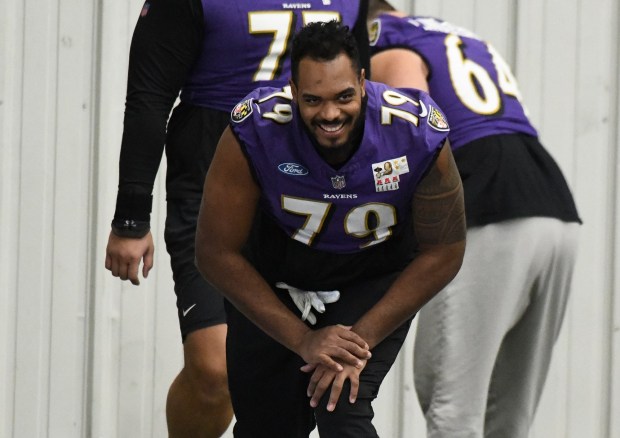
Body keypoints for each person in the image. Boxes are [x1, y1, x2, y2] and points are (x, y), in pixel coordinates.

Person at [103, 1, 371, 436]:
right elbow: (150, 97)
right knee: (214, 370)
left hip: (306, 192)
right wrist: (131, 217)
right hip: (214, 183)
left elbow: (364, 95)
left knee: (289, 376)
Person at [194, 20, 466, 438]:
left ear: (362, 81)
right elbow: (215, 253)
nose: (330, 114)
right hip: (277, 274)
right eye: (313, 100)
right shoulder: (256, 129)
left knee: (342, 402)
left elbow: (444, 250)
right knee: (269, 425)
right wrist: (304, 339)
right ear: (292, 89)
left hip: (371, 276)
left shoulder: (415, 132)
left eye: (343, 96)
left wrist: (360, 339)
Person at [367, 2, 582, 437]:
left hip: (486, 198)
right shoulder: (451, 32)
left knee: (452, 406)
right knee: (506, 415)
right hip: (550, 198)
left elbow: (416, 127)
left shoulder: (383, 41)